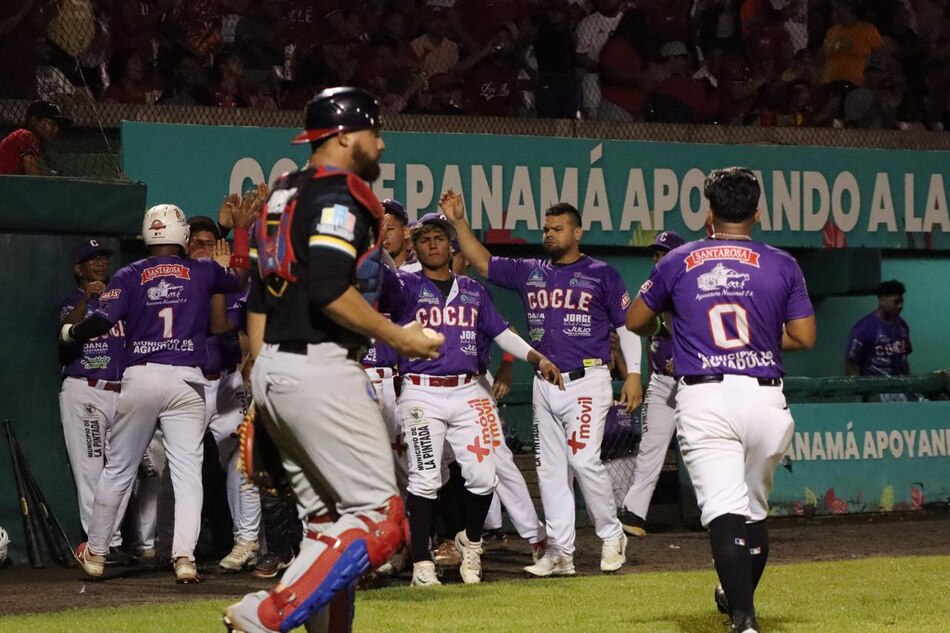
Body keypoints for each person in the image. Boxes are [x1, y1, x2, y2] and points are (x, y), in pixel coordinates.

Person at [222, 87, 443, 633]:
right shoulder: (340, 192)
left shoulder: (285, 191)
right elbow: (326, 288)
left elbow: (265, 290)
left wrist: (263, 378)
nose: (382, 142)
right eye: (373, 131)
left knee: (328, 528)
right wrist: (402, 337)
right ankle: (266, 616)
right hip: (318, 365)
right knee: (381, 522)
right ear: (344, 136)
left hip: (280, 361)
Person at [626, 167, 816, 633]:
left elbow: (635, 321)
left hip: (707, 395)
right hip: (765, 397)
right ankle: (738, 600)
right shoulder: (782, 262)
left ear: (708, 213)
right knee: (753, 511)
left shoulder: (678, 260)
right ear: (757, 211)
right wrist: (760, 341)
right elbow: (804, 336)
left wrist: (667, 323)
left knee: (725, 512)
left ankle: (744, 620)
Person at [441, 191, 643, 578]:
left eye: (558, 228)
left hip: (588, 379)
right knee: (551, 472)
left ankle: (611, 533)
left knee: (583, 460)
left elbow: (627, 325)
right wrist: (459, 223)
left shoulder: (602, 273)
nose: (549, 234)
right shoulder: (530, 270)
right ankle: (560, 553)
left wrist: (633, 373)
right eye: (546, 228)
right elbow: (482, 262)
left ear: (578, 231)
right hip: (545, 383)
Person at [64, 202, 255, 584]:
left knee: (118, 468)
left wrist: (71, 333)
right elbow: (237, 275)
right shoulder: (200, 270)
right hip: (186, 379)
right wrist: (243, 231)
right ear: (181, 235)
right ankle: (184, 558)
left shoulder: (130, 273)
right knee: (187, 475)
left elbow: (102, 320)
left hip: (141, 377)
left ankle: (97, 553)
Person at [379, 212, 561, 588]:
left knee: (483, 477)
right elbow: (378, 278)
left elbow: (500, 332)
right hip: (420, 391)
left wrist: (537, 357)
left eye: (439, 238)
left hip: (468, 389)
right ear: (414, 245)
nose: (432, 244)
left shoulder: (474, 290)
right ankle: (422, 565)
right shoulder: (405, 285)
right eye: (425, 238)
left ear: (451, 245)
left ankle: (471, 542)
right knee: (425, 478)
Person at [186, 214, 264, 573]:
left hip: (228, 383)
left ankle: (247, 539)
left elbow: (228, 326)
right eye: (197, 242)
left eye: (211, 242)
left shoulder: (232, 283)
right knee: (173, 465)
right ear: (185, 245)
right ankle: (165, 544)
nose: (204, 248)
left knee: (242, 461)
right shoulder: (175, 280)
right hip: (186, 382)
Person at [617, 231, 685, 537]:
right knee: (651, 446)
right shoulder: (653, 287)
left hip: (694, 383)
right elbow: (645, 333)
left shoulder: (689, 287)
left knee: (702, 447)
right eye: (656, 254)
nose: (658, 259)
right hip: (662, 382)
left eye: (664, 253)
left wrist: (682, 360)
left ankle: (727, 514)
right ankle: (634, 513)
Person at [845, 279, 912, 377]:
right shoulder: (863, 329)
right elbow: (851, 364)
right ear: (882, 301)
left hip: (899, 388)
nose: (900, 306)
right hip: (874, 388)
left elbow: (904, 359)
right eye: (896, 302)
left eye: (902, 302)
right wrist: (861, 390)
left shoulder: (902, 326)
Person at [0, 100, 71, 175]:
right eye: (52, 124)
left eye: (57, 126)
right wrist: (53, 174)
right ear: (34, 121)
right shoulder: (27, 136)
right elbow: (32, 172)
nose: (56, 129)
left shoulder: (25, 136)